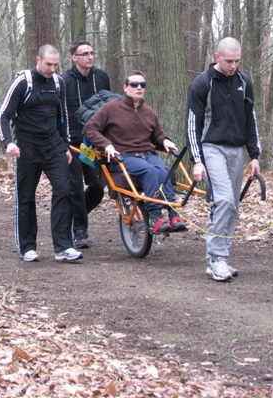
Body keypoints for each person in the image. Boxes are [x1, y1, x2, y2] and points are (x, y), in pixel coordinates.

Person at [186, 37, 261, 283]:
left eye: (237, 61)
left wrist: (255, 155)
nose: (233, 66)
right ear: (217, 57)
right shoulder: (202, 83)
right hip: (212, 148)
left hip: (237, 149)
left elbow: (251, 120)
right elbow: (192, 125)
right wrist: (196, 160)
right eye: (229, 61)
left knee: (233, 206)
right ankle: (215, 258)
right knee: (225, 200)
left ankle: (222, 258)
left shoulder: (243, 81)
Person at [0, 44, 82, 262]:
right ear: (38, 59)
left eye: (55, 65)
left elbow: (62, 116)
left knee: (64, 190)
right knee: (26, 195)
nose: (52, 69)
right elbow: (3, 116)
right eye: (48, 64)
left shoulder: (58, 83)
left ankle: (63, 246)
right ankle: (27, 247)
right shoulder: (22, 82)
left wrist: (65, 146)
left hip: (53, 145)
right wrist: (8, 142)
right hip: (27, 146)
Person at [83, 71, 187, 234]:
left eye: (142, 85)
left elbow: (157, 135)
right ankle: (155, 216)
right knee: (151, 171)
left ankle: (173, 213)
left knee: (164, 171)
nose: (139, 88)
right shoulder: (111, 108)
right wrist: (106, 144)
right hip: (123, 157)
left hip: (147, 154)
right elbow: (89, 128)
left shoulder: (149, 112)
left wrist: (165, 140)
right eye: (134, 84)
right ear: (125, 87)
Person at [62, 41, 111, 249]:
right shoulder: (64, 81)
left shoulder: (101, 77)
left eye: (92, 53)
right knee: (74, 186)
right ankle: (79, 229)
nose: (90, 57)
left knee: (98, 187)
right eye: (84, 54)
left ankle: (74, 216)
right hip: (72, 141)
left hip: (93, 143)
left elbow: (109, 107)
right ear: (74, 57)